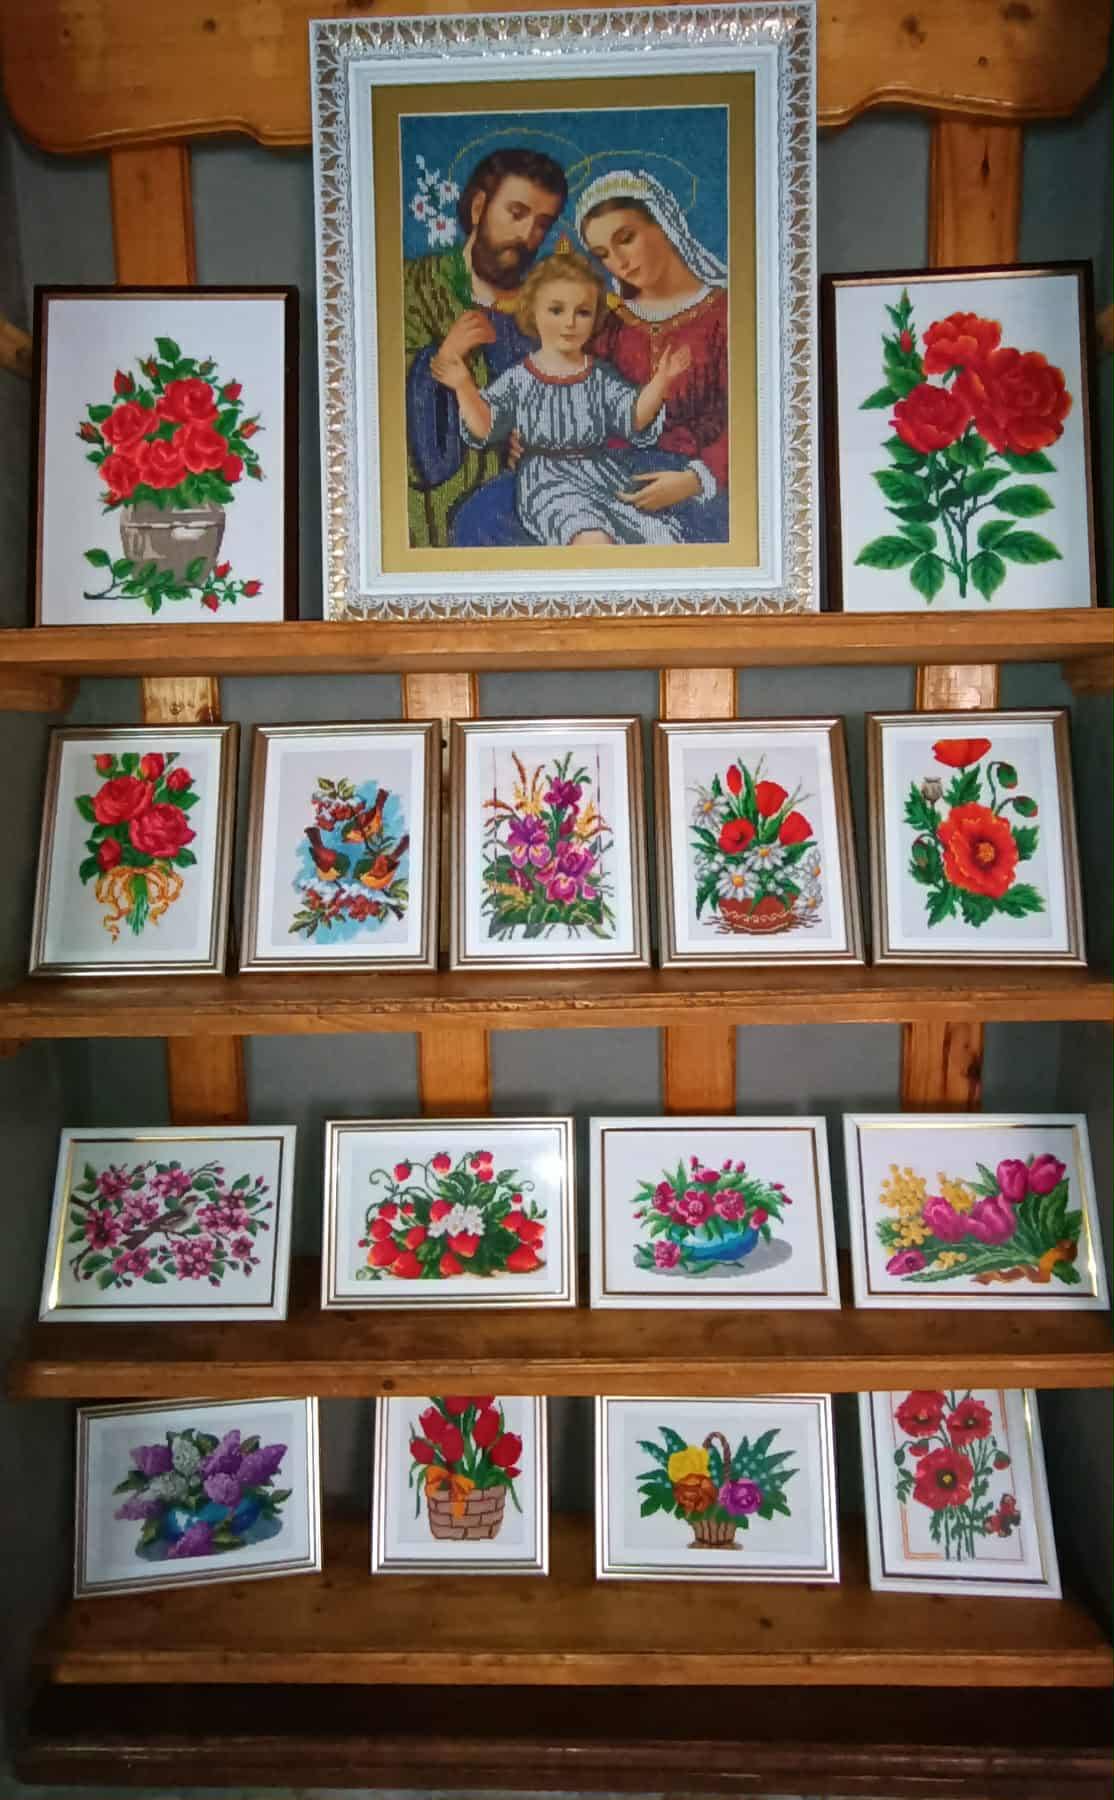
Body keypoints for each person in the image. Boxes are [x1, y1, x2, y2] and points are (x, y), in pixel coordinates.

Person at [431, 252, 691, 547]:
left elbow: (633, 417)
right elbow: (484, 427)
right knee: (591, 537)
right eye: (556, 310)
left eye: (583, 312)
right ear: (533, 312)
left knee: (650, 535)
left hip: (600, 476)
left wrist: (661, 381)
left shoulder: (600, 376)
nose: (570, 322)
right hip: (548, 483)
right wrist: (464, 386)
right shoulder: (519, 379)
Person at [404, 147, 567, 547]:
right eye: (517, 213)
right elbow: (380, 411)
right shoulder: (415, 286)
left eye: (541, 224)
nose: (527, 236)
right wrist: (441, 360)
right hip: (431, 517)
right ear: (479, 207)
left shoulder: (546, 309)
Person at [576, 168, 730, 543]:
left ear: (663, 223)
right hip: (608, 475)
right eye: (603, 254)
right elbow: (578, 394)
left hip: (692, 484)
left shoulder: (725, 313)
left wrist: (696, 479)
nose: (619, 262)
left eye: (625, 238)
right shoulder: (610, 323)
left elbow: (751, 419)